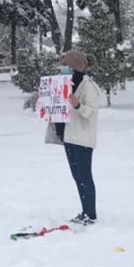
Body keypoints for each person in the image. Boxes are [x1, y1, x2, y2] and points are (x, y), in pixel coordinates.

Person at [50, 50, 102, 225]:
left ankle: (91, 214)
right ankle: (84, 211)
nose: (63, 69)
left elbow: (91, 112)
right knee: (77, 176)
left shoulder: (88, 86)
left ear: (75, 66)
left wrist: (77, 105)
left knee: (85, 176)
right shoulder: (64, 84)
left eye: (66, 65)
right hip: (68, 136)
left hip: (82, 138)